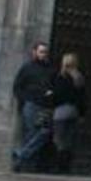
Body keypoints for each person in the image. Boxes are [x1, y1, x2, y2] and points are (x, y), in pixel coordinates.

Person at [11, 42, 56, 172]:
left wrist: (51, 93)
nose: (43, 54)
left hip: (45, 105)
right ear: (34, 52)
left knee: (44, 132)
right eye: (41, 52)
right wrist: (25, 99)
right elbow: (17, 87)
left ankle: (20, 155)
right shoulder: (27, 68)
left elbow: (54, 85)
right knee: (31, 132)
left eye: (45, 52)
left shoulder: (50, 69)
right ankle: (24, 164)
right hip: (31, 104)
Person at [51, 53, 87, 174]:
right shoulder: (79, 78)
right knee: (70, 141)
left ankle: (59, 167)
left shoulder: (60, 77)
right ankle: (67, 167)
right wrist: (82, 114)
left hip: (60, 112)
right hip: (74, 111)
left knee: (59, 140)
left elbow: (57, 95)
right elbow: (82, 98)